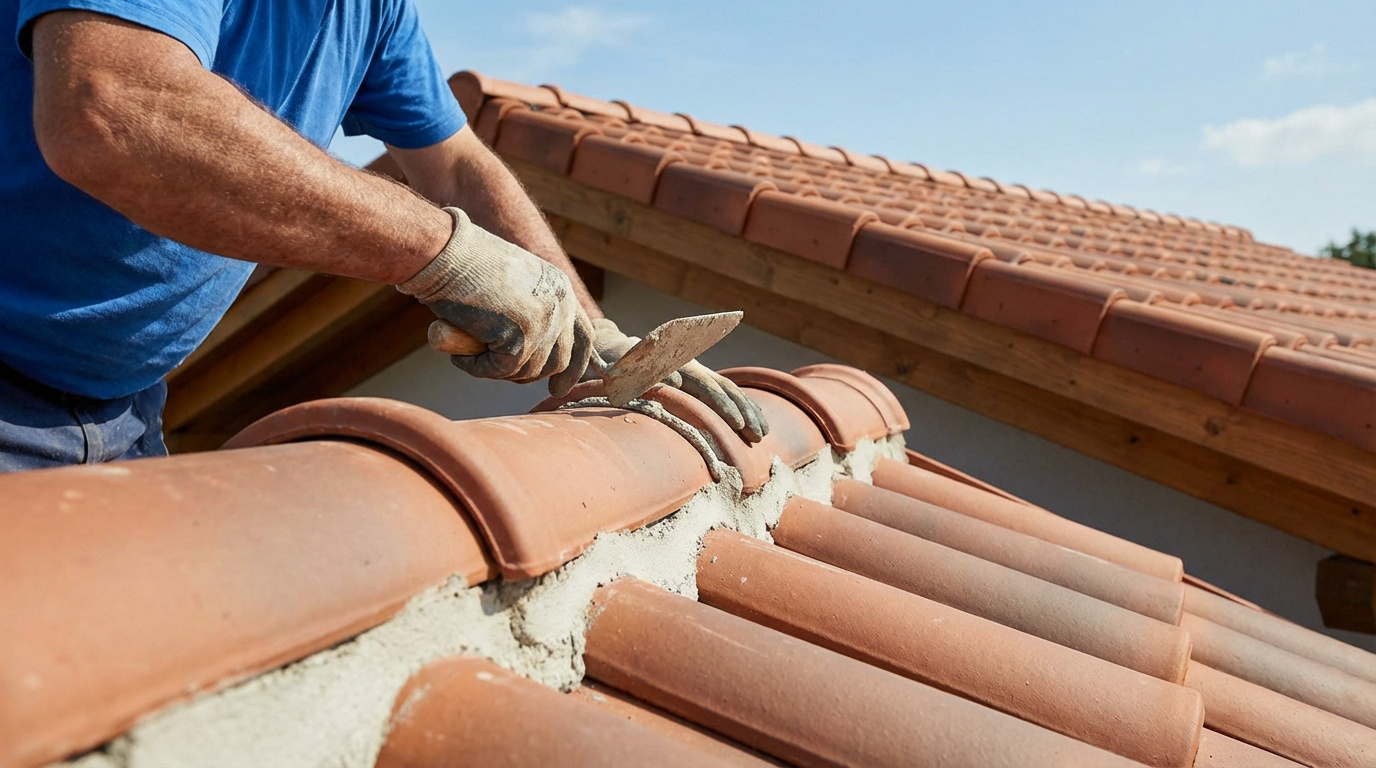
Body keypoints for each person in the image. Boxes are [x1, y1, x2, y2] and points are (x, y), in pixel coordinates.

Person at [0, 0, 766, 472]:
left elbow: (457, 165)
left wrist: (587, 330)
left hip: (122, 407)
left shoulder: (370, 9)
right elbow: (113, 110)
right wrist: (446, 256)